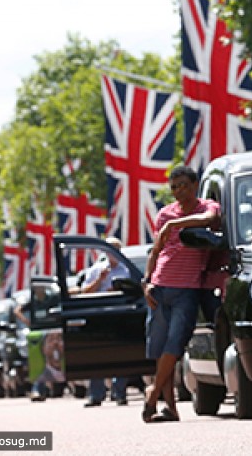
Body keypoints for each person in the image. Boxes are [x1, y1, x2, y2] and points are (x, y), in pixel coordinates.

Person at [142, 165, 220, 423]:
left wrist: (177, 223)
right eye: (174, 187)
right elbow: (156, 251)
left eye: (184, 185)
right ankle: (170, 408)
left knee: (174, 346)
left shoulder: (206, 207)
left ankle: (153, 395)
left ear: (195, 185)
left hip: (188, 290)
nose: (179, 192)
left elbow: (208, 220)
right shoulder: (165, 214)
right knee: (161, 346)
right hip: (160, 287)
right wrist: (147, 282)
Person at [80, 237, 131, 407]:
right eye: (111, 249)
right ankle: (96, 394)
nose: (113, 253)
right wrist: (100, 280)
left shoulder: (126, 270)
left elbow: (133, 289)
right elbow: (84, 291)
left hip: (119, 315)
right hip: (99, 316)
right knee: (97, 355)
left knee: (121, 354)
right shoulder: (96, 270)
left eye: (117, 249)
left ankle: (119, 392)